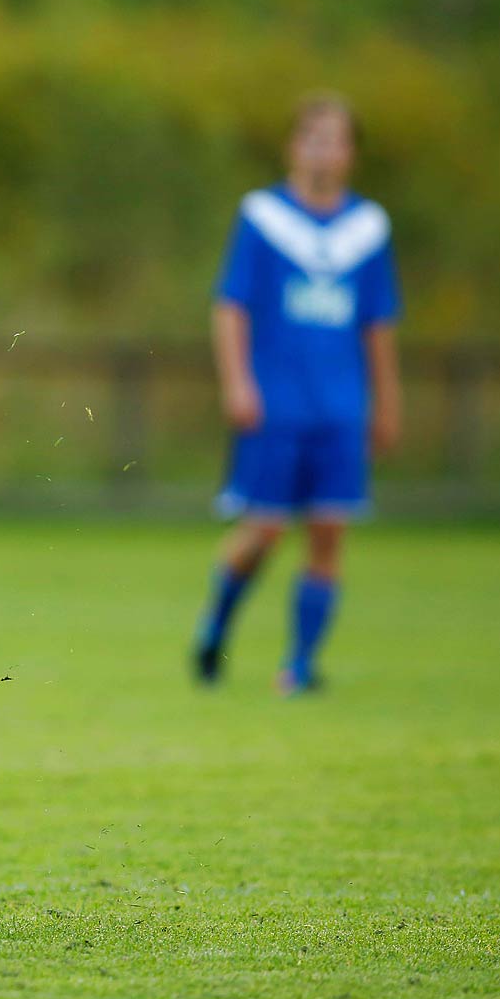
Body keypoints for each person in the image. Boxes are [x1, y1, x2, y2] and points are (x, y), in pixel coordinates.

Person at [193, 93, 402, 694]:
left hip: (340, 407)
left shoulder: (368, 229)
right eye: (311, 136)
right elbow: (232, 306)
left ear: (351, 153)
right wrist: (237, 382)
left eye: (334, 138)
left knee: (329, 533)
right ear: (292, 146)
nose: (321, 149)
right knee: (264, 531)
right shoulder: (262, 218)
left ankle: (300, 666)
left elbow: (377, 323)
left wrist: (387, 403)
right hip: (275, 404)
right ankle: (216, 625)